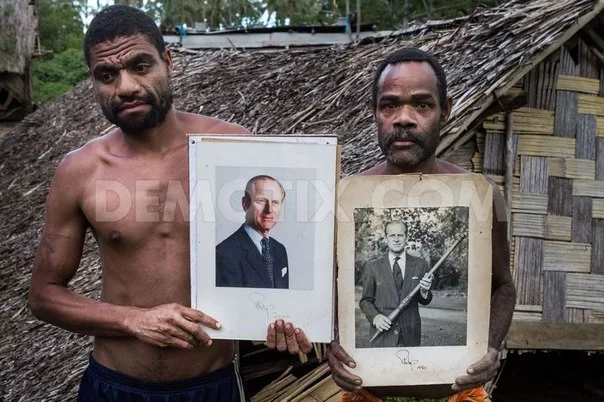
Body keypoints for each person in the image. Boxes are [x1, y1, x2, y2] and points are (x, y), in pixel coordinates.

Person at [27, 5, 310, 402]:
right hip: (114, 386)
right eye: (106, 75)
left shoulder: (234, 148)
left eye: (140, 66)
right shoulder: (80, 171)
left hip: (212, 385)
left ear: (168, 61)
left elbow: (283, 264)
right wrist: (133, 320)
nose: (125, 86)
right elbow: (44, 295)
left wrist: (288, 319)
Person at [327, 48, 516, 397]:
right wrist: (333, 342)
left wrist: (491, 347)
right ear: (375, 112)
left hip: (457, 394)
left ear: (446, 110)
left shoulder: (481, 195)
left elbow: (503, 285)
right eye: (389, 105)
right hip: (368, 395)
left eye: (422, 105)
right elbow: (327, 294)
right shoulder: (343, 199)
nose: (404, 118)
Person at [360, 220, 433, 348]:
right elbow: (365, 301)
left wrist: (424, 291)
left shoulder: (420, 264)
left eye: (400, 235)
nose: (396, 239)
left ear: (406, 238)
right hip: (383, 335)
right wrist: (376, 317)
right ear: (386, 238)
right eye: (392, 235)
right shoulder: (373, 267)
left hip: (410, 334)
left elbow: (425, 300)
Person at [216, 175, 289, 289]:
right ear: (245, 204)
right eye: (261, 201)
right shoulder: (224, 253)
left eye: (275, 202)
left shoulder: (280, 250)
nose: (269, 210)